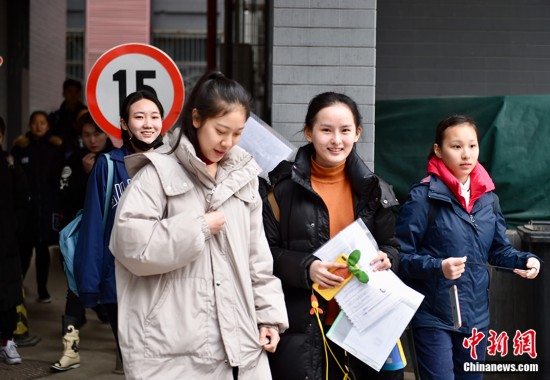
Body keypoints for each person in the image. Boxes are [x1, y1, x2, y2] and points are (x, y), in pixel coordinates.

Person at [108, 71, 288, 380]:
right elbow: (129, 245)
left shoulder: (243, 178)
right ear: (196, 118)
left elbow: (258, 259)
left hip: (240, 344)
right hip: (173, 348)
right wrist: (197, 228)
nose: (227, 142)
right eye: (220, 130)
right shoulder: (156, 173)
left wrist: (269, 318)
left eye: (237, 133)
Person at [262, 92, 403, 380]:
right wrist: (307, 267)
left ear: (357, 133)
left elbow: (392, 245)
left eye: (345, 130)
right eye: (326, 130)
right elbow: (264, 254)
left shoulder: (376, 190)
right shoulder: (282, 190)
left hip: (364, 323)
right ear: (308, 132)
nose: (336, 140)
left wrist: (388, 258)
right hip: (304, 325)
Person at [396, 115, 541, 379]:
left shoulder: (489, 200)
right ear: (438, 150)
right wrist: (438, 267)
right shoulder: (422, 198)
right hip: (433, 316)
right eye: (456, 146)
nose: (466, 154)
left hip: (475, 319)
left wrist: (525, 260)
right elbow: (399, 257)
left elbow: (498, 250)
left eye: (472, 146)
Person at [73, 90, 165, 374]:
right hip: (120, 284)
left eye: (154, 116)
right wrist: (90, 286)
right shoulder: (108, 165)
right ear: (125, 124)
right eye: (139, 117)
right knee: (135, 364)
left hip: (165, 279)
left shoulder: (173, 163)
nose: (148, 124)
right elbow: (93, 227)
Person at [51, 111, 114, 372]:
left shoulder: (118, 160)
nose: (92, 139)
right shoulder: (75, 162)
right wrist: (86, 174)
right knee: (74, 290)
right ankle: (70, 350)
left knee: (112, 294)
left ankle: (123, 351)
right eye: (86, 135)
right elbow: (64, 199)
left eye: (97, 133)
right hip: (81, 238)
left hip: (111, 239)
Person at [11, 110, 65, 303]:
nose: (39, 126)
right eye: (35, 122)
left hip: (47, 207)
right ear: (29, 125)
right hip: (27, 208)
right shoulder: (20, 148)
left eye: (43, 122)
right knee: (24, 250)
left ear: (48, 125)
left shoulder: (56, 147)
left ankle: (42, 291)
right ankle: (16, 288)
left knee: (43, 251)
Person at [0, 117, 29, 365]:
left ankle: (7, 342)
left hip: (6, 243)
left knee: (8, 297)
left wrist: (15, 230)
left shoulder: (10, 164)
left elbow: (22, 201)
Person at [49, 78, 88, 158]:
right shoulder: (56, 116)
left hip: (83, 154)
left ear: (80, 94)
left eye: (76, 91)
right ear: (64, 93)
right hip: (60, 155)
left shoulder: (87, 115)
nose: (73, 95)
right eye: (69, 91)